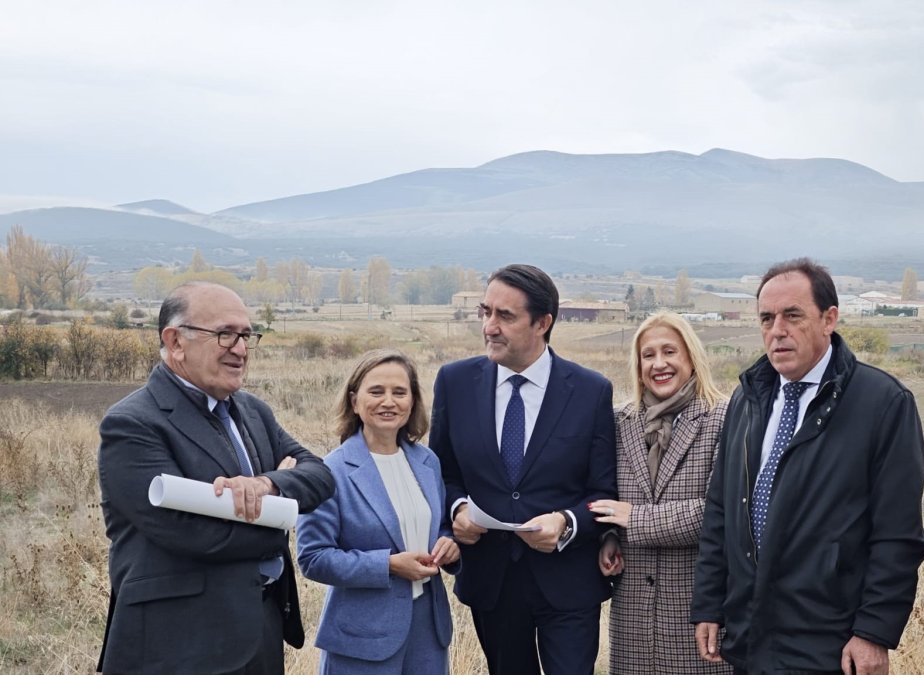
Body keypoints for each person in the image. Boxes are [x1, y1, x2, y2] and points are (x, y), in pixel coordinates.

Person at [691, 258, 924, 675]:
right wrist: (710, 603)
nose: (777, 330)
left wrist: (873, 632)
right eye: (766, 318)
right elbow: (721, 512)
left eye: (792, 315)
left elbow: (897, 534)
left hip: (829, 639)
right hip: (749, 633)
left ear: (829, 319)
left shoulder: (882, 403)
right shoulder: (747, 400)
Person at [97, 281, 334, 674]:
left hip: (258, 631)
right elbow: (189, 532)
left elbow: (320, 475)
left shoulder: (253, 411)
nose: (240, 349)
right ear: (175, 342)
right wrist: (280, 522)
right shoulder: (133, 424)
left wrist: (267, 485)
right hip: (176, 642)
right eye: (225, 334)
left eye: (246, 335)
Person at [429, 263, 617, 675]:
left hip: (568, 583)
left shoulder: (591, 391)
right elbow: (440, 472)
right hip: (492, 582)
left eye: (505, 316)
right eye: (486, 312)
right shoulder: (454, 383)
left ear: (543, 323)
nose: (489, 327)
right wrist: (457, 509)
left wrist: (567, 523)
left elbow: (604, 491)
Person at [297, 349, 461, 674]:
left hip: (428, 631)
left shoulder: (427, 462)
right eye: (377, 392)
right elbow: (313, 558)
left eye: (399, 392)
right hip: (361, 638)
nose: (389, 401)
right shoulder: (330, 471)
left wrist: (450, 545)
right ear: (355, 401)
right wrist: (388, 566)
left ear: (412, 401)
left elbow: (440, 526)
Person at [589, 312, 732, 674]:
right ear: (637, 368)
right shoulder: (619, 422)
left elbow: (720, 512)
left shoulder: (724, 418)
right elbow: (603, 492)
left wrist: (633, 519)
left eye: (670, 351)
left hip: (699, 618)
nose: (659, 363)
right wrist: (609, 536)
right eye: (648, 355)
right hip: (633, 621)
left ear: (690, 358)